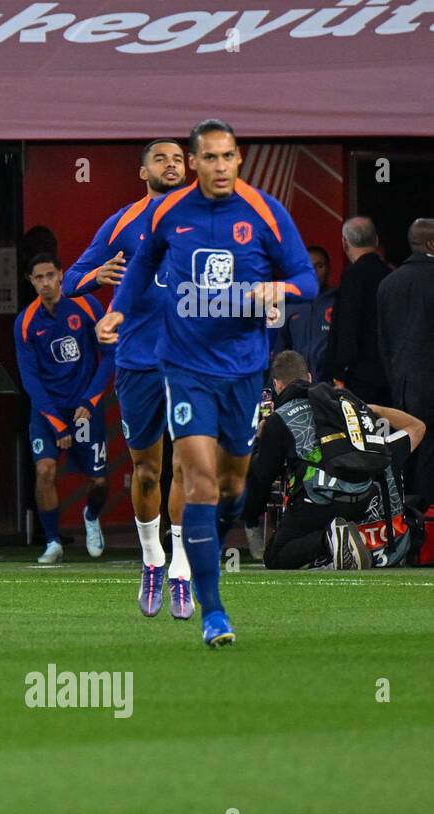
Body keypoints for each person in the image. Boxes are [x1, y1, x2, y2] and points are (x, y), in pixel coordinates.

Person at [105, 118, 317, 648]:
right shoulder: (168, 212)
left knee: (231, 487)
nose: (221, 167)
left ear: (238, 159)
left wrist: (273, 290)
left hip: (243, 368)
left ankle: (200, 548)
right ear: (194, 163)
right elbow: (139, 268)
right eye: (211, 158)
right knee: (195, 478)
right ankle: (211, 609)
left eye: (229, 157)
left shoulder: (265, 211)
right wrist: (117, 312)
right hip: (183, 365)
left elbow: (307, 280)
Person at [71, 138, 192, 616]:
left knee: (187, 466)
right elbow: (73, 277)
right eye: (160, 158)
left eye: (178, 158)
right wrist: (98, 273)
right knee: (147, 470)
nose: (170, 164)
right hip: (139, 363)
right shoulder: (122, 222)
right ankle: (152, 560)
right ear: (144, 172)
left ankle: (181, 569)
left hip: (189, 364)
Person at [243, 350, 424, 570]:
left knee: (276, 555)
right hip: (364, 500)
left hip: (318, 502)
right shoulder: (346, 407)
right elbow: (417, 427)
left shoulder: (279, 419)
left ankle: (328, 539)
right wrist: (372, 409)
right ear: (309, 377)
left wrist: (251, 516)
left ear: (277, 385)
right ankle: (341, 542)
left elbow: (263, 478)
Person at [15, 253, 113, 566]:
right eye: (38, 278)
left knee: (99, 481)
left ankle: (92, 515)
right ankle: (53, 541)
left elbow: (109, 356)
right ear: (30, 281)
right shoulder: (26, 321)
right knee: (44, 470)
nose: (46, 283)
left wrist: (90, 402)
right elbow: (29, 378)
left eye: (50, 275)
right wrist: (56, 423)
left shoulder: (85, 306)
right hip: (48, 410)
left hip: (84, 405)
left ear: (61, 274)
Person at [377, 217, 434, 506]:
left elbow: (382, 343)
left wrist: (396, 378)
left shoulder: (388, 283)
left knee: (408, 447)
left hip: (402, 384)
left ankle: (406, 520)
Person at [323, 216, 392, 405]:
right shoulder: (390, 275)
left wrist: (339, 374)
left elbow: (347, 325)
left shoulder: (352, 276)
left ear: (344, 243)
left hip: (358, 378)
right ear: (376, 240)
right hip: (389, 374)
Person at [276, 244, 336, 380]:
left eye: (320, 266)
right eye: (310, 267)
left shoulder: (339, 301)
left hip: (329, 385)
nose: (314, 272)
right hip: (295, 384)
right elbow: (279, 349)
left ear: (329, 269)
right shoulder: (287, 302)